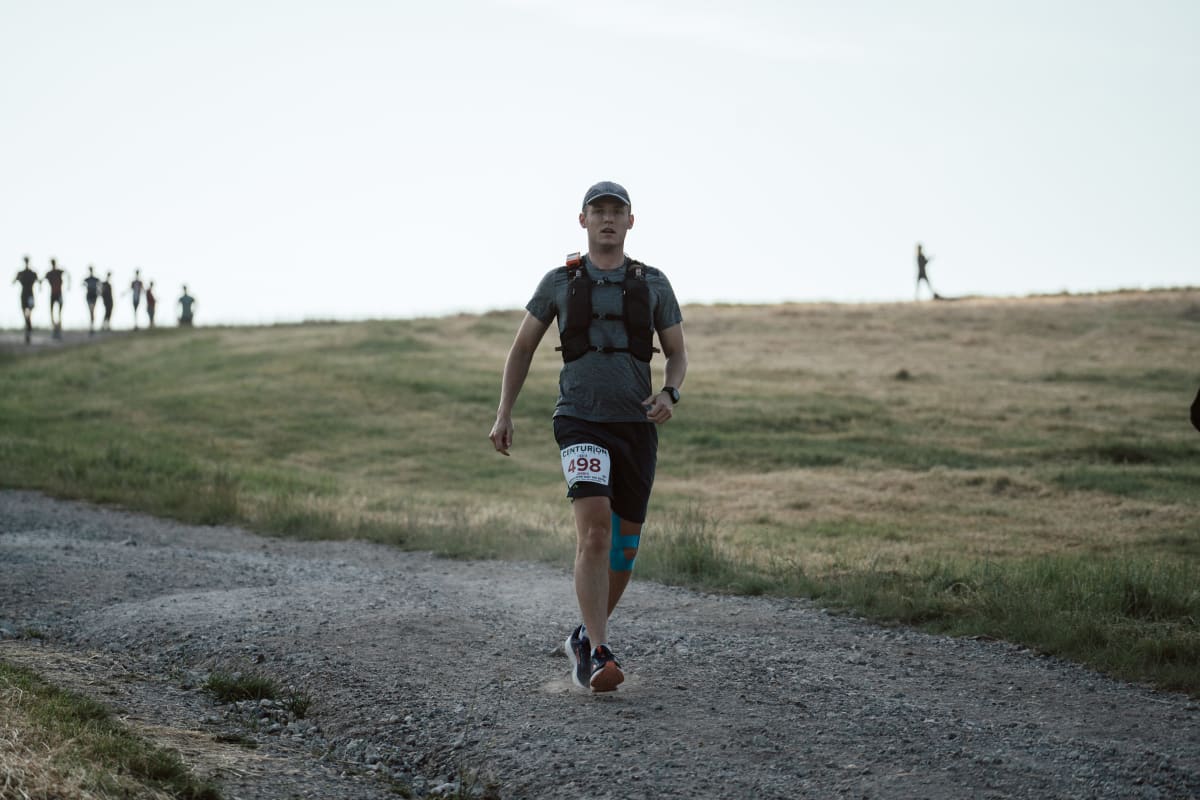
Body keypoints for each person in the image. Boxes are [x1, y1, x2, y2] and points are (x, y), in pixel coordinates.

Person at [488, 181, 688, 692]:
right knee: (595, 531)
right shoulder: (559, 281)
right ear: (583, 220)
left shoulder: (654, 282)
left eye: (616, 211)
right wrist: (504, 412)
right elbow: (522, 349)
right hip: (579, 418)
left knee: (624, 547)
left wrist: (670, 393)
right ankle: (598, 652)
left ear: (630, 221)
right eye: (598, 211)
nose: (607, 219)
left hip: (636, 425)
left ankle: (583, 636)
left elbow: (677, 353)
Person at [14, 256, 41, 344]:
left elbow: (14, 281)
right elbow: (39, 282)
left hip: (26, 295)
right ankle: (28, 326)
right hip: (28, 295)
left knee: (27, 313)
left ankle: (28, 326)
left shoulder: (23, 273)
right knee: (27, 313)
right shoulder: (30, 273)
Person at [44, 258, 70, 338]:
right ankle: (55, 329)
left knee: (58, 313)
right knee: (53, 313)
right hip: (54, 295)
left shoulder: (58, 271)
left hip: (58, 294)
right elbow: (43, 279)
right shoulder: (49, 273)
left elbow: (68, 274)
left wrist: (69, 284)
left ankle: (58, 330)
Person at [82, 266, 102, 335]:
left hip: (94, 296)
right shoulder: (87, 279)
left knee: (92, 311)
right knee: (91, 311)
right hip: (89, 296)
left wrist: (99, 291)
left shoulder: (95, 279)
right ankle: (91, 327)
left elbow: (100, 285)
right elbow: (83, 284)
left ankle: (92, 326)